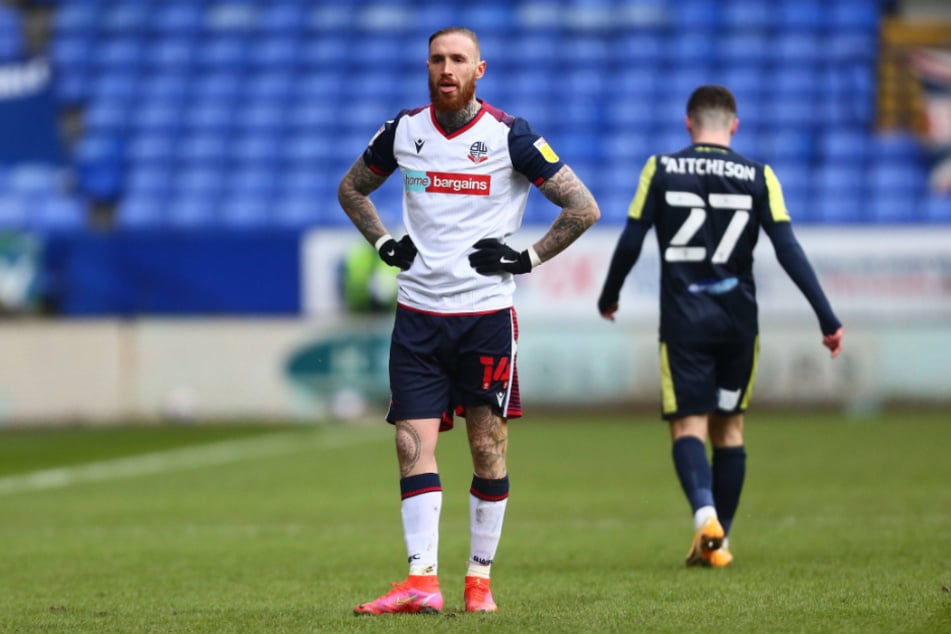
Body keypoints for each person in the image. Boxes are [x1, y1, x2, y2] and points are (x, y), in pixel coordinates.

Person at [337, 26, 600, 614]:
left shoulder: (510, 136)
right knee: (411, 446)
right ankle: (421, 582)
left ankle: (478, 583)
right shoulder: (404, 131)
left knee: (488, 448)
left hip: (484, 318)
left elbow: (583, 207)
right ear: (426, 67)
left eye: (459, 60)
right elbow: (352, 189)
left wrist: (525, 258)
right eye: (437, 59)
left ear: (481, 69)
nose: (446, 69)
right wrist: (382, 244)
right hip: (417, 316)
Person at [597, 85, 843, 568]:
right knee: (730, 429)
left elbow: (630, 240)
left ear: (688, 124)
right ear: (734, 124)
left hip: (685, 323)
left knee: (688, 424)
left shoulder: (661, 168)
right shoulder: (758, 174)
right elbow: (787, 248)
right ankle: (719, 541)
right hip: (738, 323)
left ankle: (705, 518)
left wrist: (610, 294)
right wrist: (826, 317)